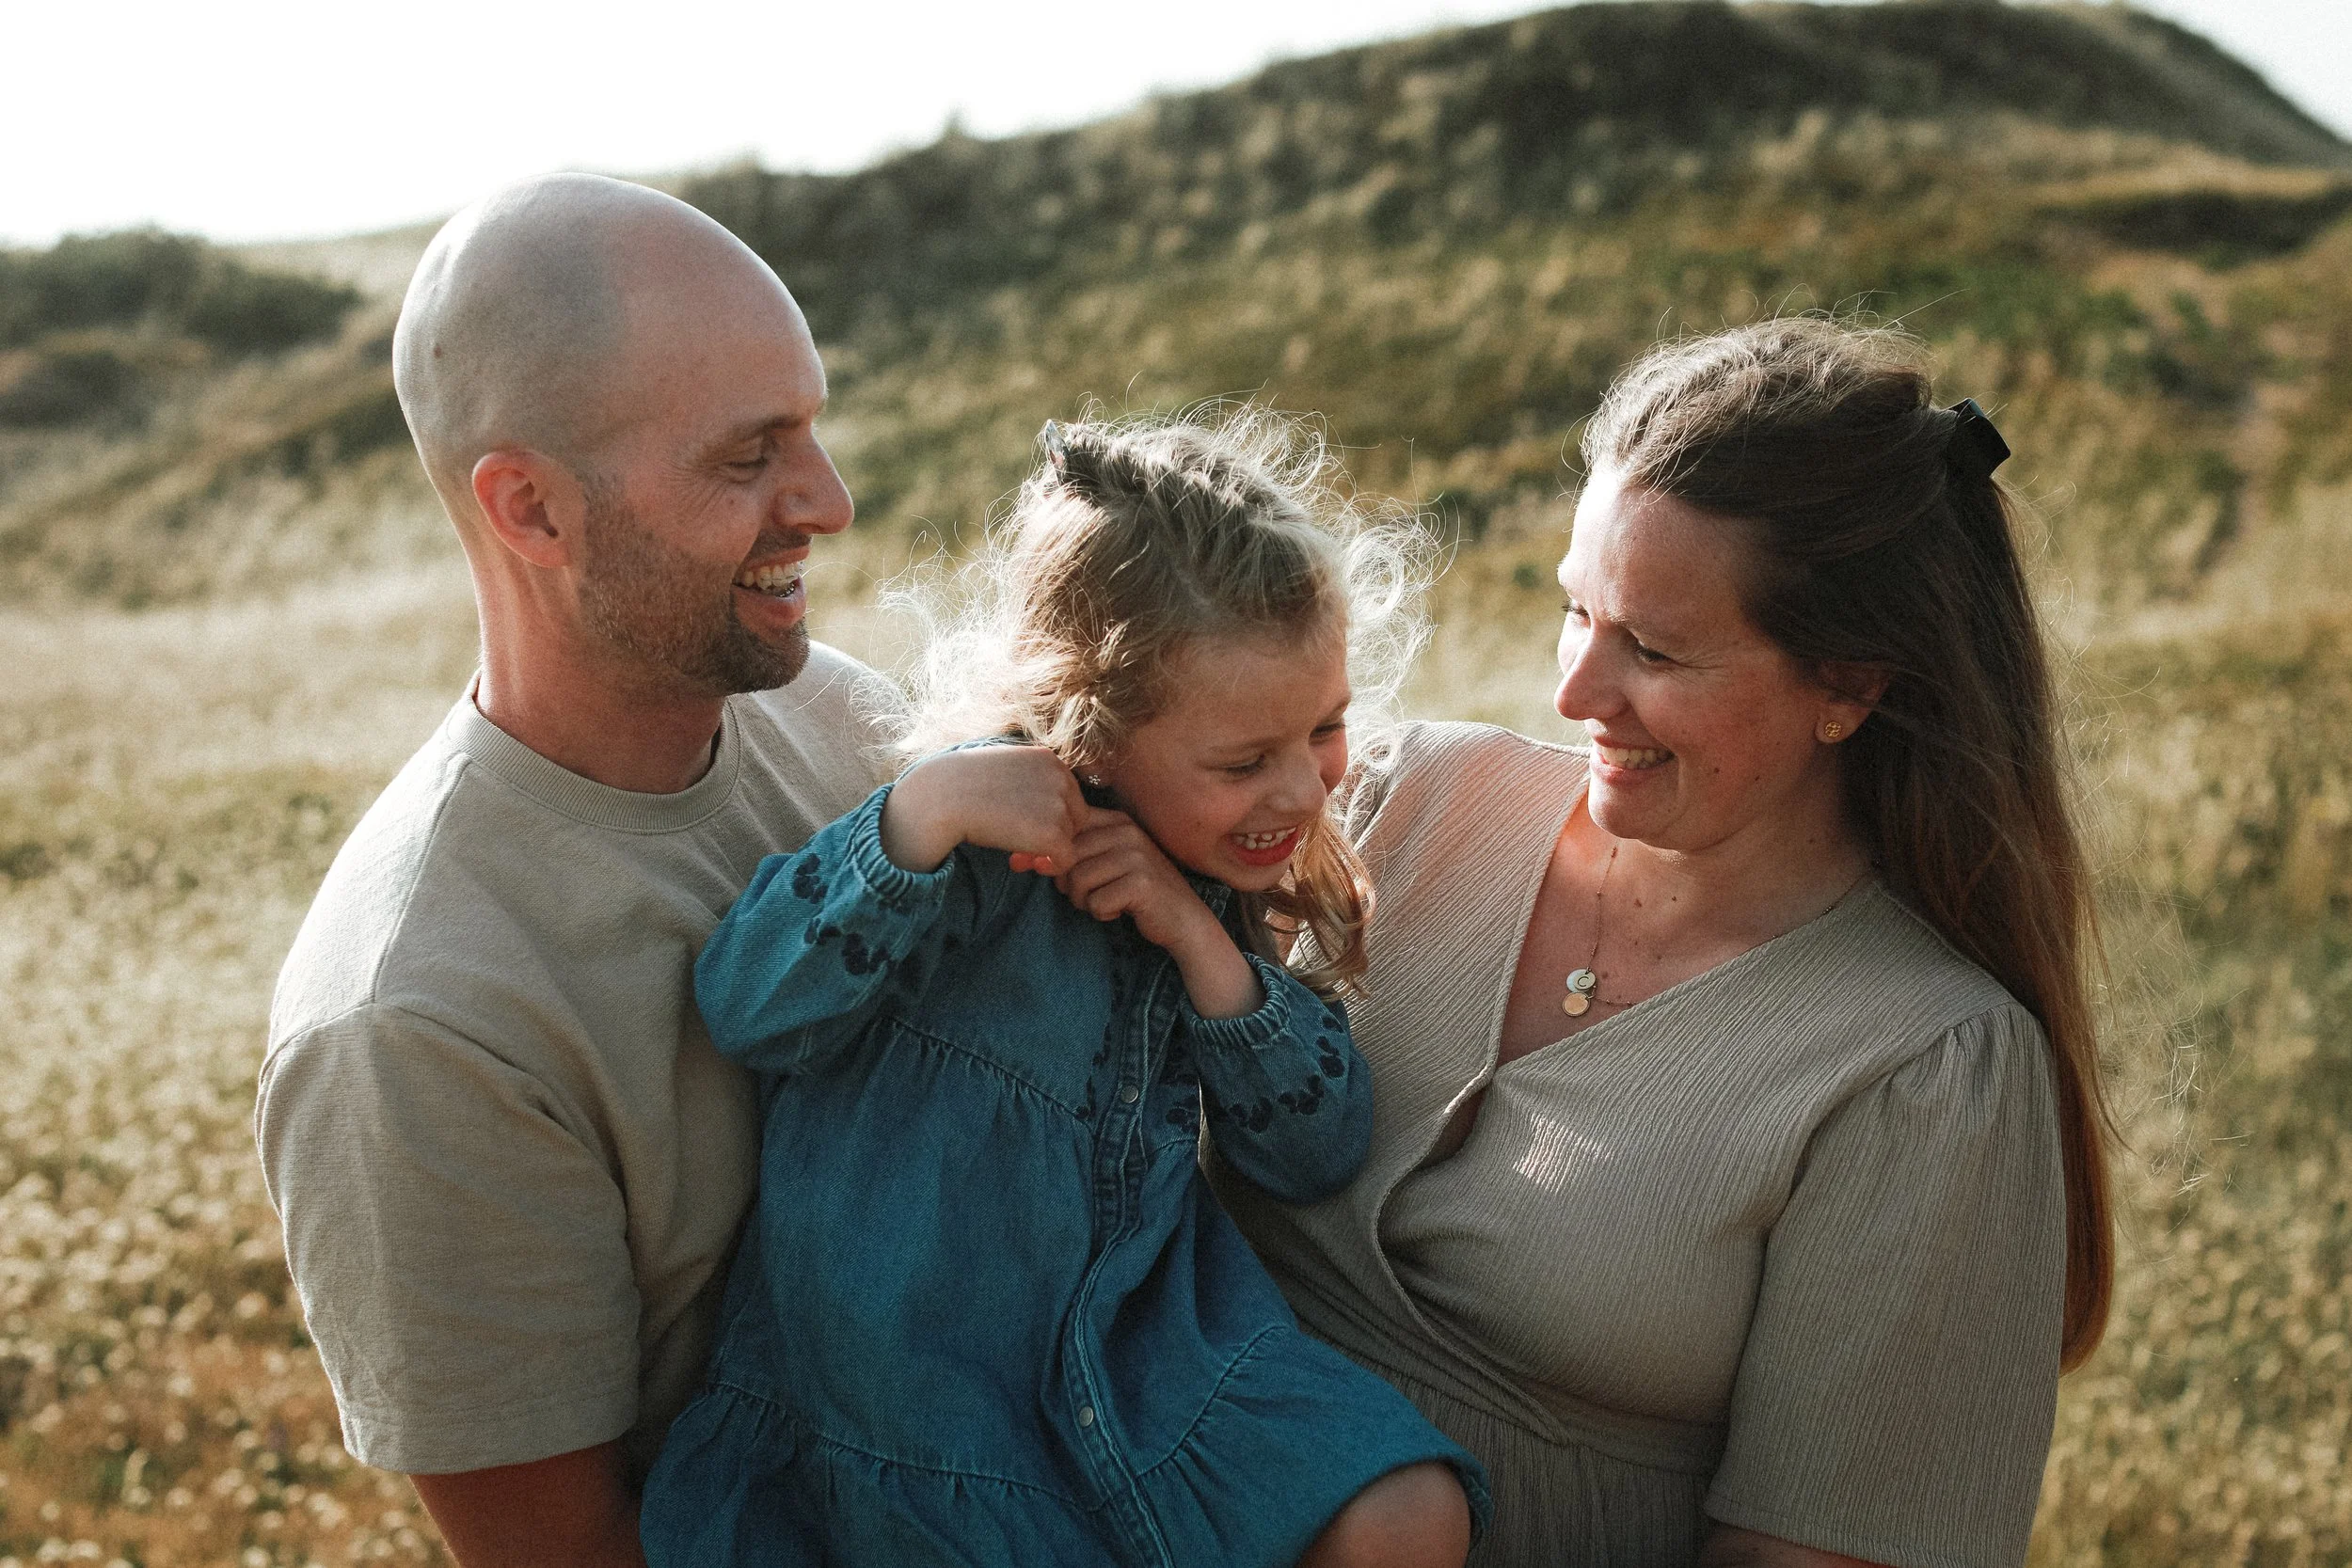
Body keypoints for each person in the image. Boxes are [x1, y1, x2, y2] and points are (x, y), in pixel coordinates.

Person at [1212, 319, 2116, 1568]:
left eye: (1654, 646)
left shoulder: (1925, 1065)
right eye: (1575, 609)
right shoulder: (1396, 800)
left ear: (1850, 686)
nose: (1578, 688)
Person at [638, 414, 1487, 1567]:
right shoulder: (956, 852)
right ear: (1092, 725)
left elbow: (1315, 1150)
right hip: (915, 1383)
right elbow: (747, 999)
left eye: (1324, 727)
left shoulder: (1212, 884)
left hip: (1149, 1354)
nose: (1302, 785)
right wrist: (919, 817)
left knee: (1409, 1510)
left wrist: (1200, 942)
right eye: (1244, 760)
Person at [256, 172, 898, 1568]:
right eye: (750, 456)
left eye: (813, 430)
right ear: (531, 509)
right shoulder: (415, 1027)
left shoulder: (841, 716)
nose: (829, 502)